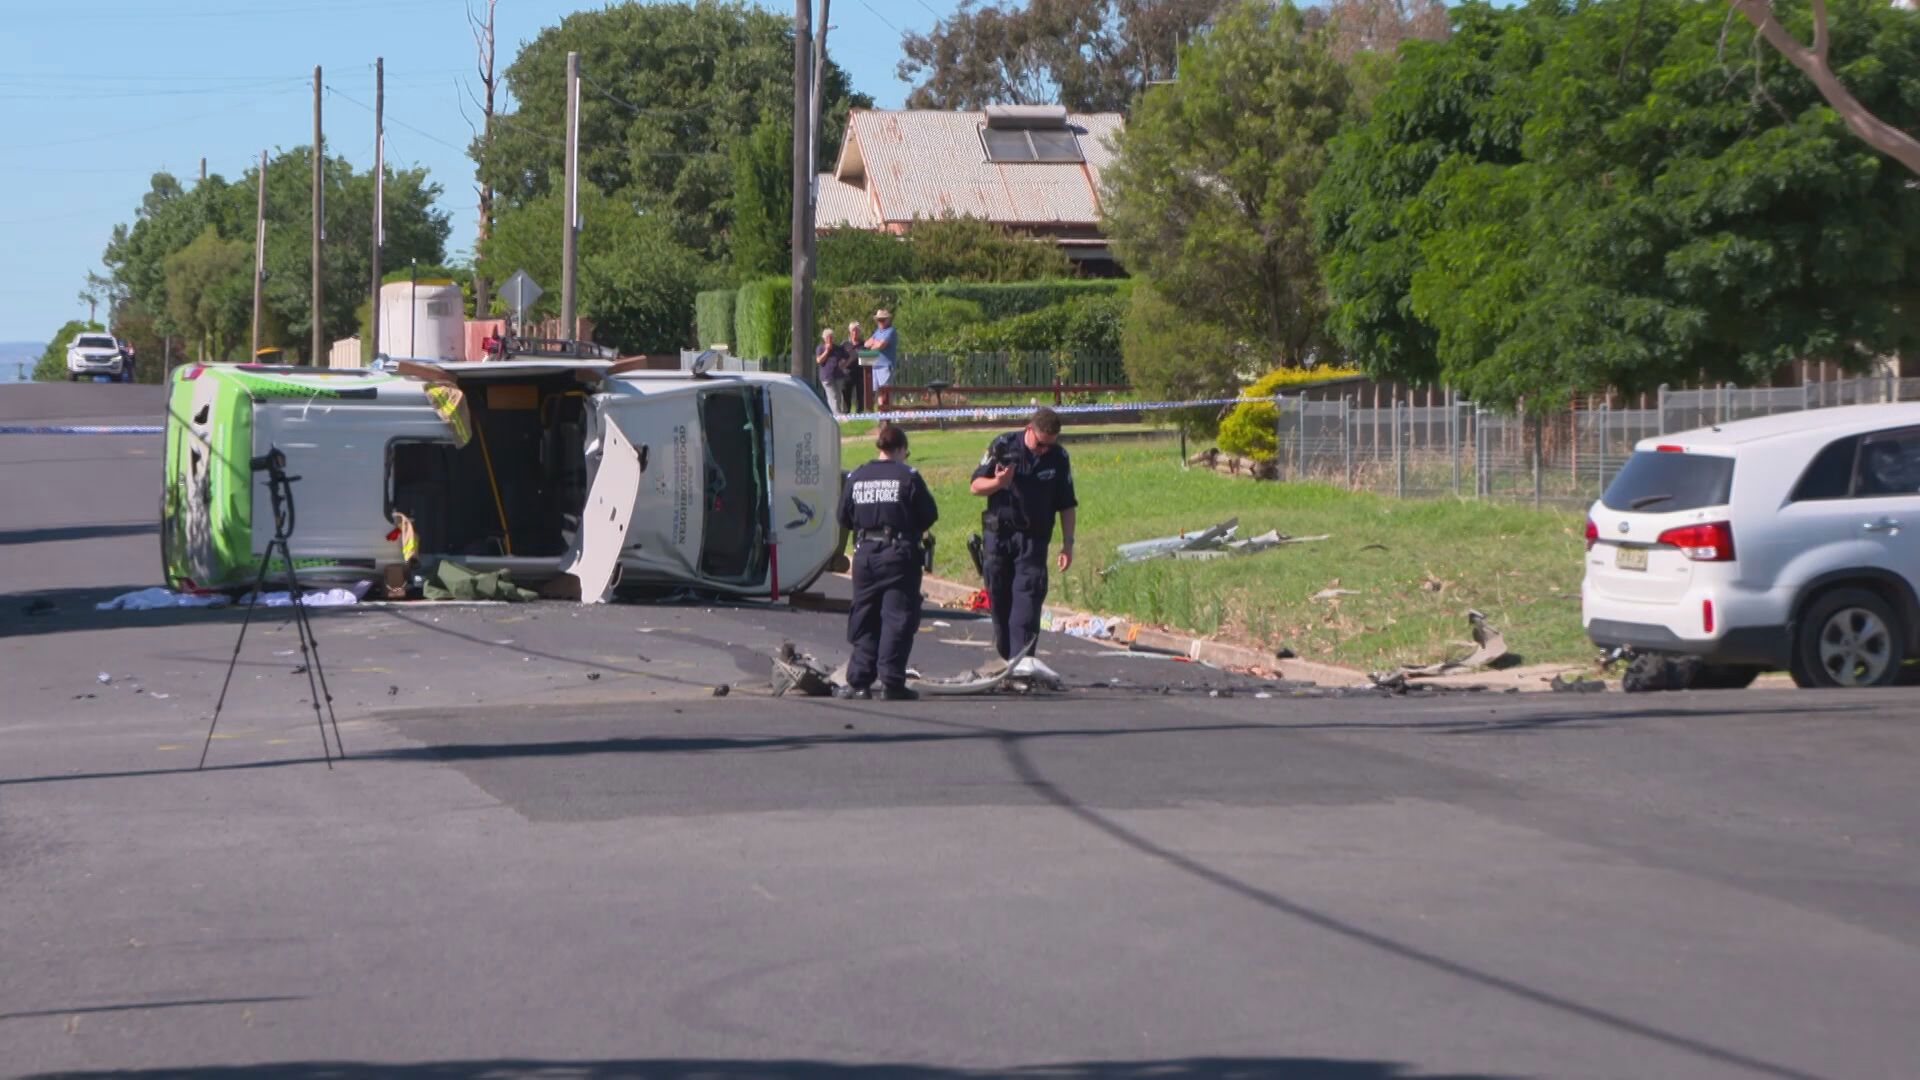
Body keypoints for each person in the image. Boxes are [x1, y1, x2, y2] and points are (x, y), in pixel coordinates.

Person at [837, 421, 939, 701]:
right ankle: (892, 682)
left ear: (879, 447)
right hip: (898, 554)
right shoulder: (908, 477)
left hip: (865, 554)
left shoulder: (857, 476)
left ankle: (859, 681)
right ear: (902, 449)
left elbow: (843, 517)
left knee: (864, 616)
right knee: (897, 618)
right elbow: (929, 515)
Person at [970, 406, 1076, 667]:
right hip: (999, 537)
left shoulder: (1058, 457)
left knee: (1027, 601)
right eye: (1040, 444)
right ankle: (1007, 658)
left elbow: (1067, 504)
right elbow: (975, 486)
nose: (1043, 450)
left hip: (1033, 539)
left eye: (1049, 446)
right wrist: (999, 483)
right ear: (1030, 429)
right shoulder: (1003, 446)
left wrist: (1068, 544)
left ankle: (1022, 664)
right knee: (1000, 600)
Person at [863, 309, 897, 398]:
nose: (880, 322)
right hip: (874, 365)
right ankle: (880, 412)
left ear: (887, 320)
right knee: (877, 393)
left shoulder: (891, 331)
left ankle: (887, 411)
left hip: (885, 366)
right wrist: (876, 342)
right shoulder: (877, 331)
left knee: (885, 393)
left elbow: (881, 345)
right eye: (879, 320)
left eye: (882, 319)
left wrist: (874, 343)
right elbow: (866, 344)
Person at [815, 328, 847, 415]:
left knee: (839, 396)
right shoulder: (820, 348)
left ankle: (839, 413)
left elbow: (846, 358)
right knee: (833, 397)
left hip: (838, 376)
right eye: (827, 337)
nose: (830, 339)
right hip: (827, 377)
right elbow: (819, 361)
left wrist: (843, 362)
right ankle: (837, 416)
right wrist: (827, 351)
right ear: (824, 338)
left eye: (831, 337)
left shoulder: (838, 348)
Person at [845, 321, 866, 412]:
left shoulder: (864, 344)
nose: (855, 332)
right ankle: (846, 413)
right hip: (847, 373)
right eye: (853, 330)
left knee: (860, 394)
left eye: (857, 330)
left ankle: (860, 413)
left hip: (860, 372)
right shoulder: (845, 344)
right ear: (850, 331)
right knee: (846, 394)